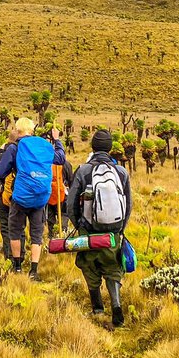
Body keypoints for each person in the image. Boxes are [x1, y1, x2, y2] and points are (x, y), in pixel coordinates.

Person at [66, 129, 132, 326]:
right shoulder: (121, 172)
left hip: (89, 229)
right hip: (114, 229)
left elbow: (70, 204)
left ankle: (97, 308)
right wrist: (120, 228)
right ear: (110, 148)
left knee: (89, 265)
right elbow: (128, 204)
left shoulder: (84, 170)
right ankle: (116, 305)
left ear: (93, 147)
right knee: (113, 267)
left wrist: (78, 224)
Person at [0, 117, 65, 280]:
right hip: (41, 197)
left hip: (20, 197)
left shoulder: (16, 147)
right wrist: (57, 140)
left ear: (18, 131)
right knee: (37, 234)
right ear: (32, 130)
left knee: (15, 231)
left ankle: (18, 267)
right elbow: (60, 158)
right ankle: (34, 271)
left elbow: (0, 171)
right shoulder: (44, 145)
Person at [46, 127, 74, 238]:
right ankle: (63, 234)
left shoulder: (45, 162)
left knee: (50, 216)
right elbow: (71, 180)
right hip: (62, 193)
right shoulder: (66, 164)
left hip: (48, 194)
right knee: (63, 214)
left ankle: (51, 235)